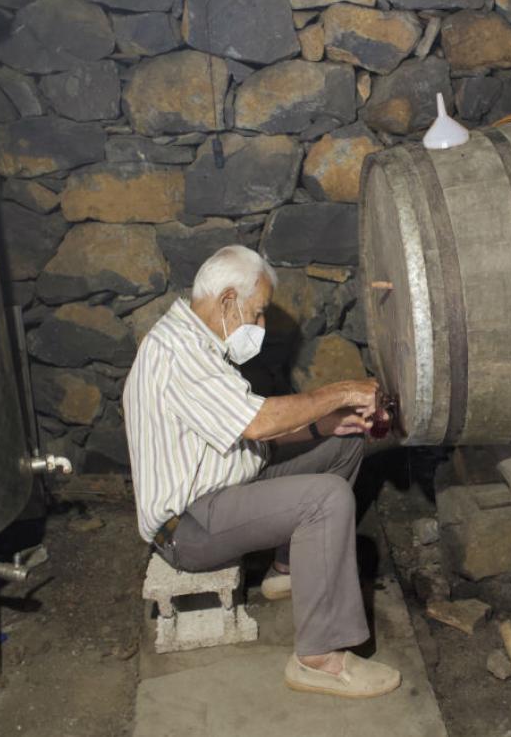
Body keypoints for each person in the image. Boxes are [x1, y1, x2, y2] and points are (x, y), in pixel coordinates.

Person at [122, 244, 400, 698]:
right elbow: (256, 422)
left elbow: (242, 430)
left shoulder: (195, 341)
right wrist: (344, 391)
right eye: (258, 313)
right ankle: (320, 659)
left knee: (343, 443)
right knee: (325, 499)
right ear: (228, 300)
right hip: (188, 527)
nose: (261, 325)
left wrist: (324, 425)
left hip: (226, 489)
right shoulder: (176, 354)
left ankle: (287, 570)